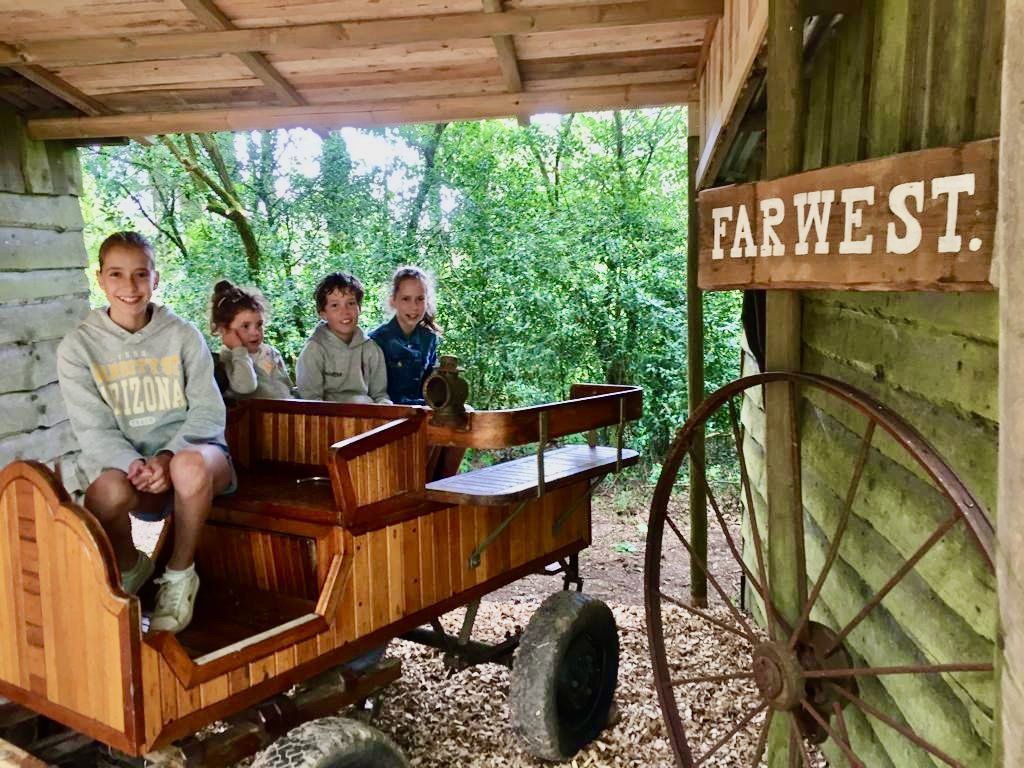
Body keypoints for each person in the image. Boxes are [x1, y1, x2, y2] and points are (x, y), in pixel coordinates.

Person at [56, 231, 233, 634]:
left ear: (156, 279)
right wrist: (134, 463)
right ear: (101, 279)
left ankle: (179, 574)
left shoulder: (183, 335)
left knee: (189, 466)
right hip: (132, 469)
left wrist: (167, 457)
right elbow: (92, 428)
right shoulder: (78, 347)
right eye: (116, 274)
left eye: (140, 274)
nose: (129, 287)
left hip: (196, 458)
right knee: (105, 491)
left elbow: (207, 410)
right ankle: (131, 563)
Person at [295, 272, 392, 404]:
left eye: (351, 303)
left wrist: (384, 409)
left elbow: (380, 395)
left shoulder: (371, 349)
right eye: (335, 305)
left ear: (359, 308)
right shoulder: (314, 350)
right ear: (323, 314)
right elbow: (311, 401)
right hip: (326, 418)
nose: (345, 311)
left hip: (367, 417)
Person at [210, 279, 293, 400]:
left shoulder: (271, 353)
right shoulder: (227, 360)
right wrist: (239, 350)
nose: (255, 332)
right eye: (245, 326)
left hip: (286, 415)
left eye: (259, 325)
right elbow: (246, 387)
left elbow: (287, 387)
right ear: (225, 330)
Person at [370, 266, 441, 405]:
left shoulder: (429, 339)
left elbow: (431, 386)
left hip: (422, 411)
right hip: (390, 412)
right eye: (406, 299)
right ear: (393, 301)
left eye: (420, 299)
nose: (414, 307)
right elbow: (374, 393)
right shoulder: (377, 340)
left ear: (427, 301)